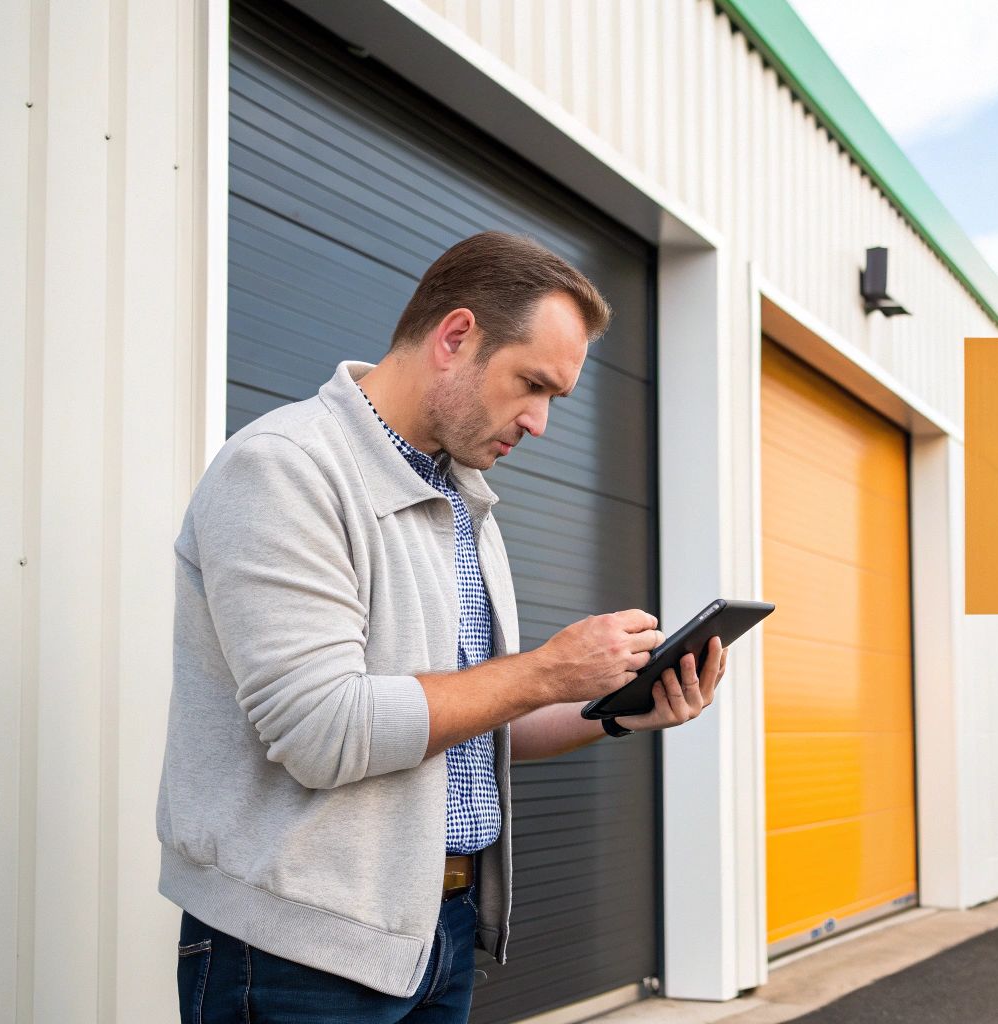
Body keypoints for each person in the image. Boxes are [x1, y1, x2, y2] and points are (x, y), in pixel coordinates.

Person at [157, 231, 724, 1022]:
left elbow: (468, 724)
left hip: (434, 932)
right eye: (532, 384)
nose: (539, 422)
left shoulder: (461, 499)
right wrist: (545, 670)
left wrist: (615, 710)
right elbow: (324, 731)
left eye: (556, 398)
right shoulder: (286, 468)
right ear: (455, 337)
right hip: (296, 954)